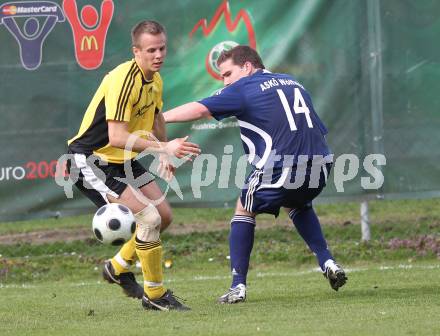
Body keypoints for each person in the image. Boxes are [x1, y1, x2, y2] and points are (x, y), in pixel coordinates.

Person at [163, 45, 347, 304]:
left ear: (247, 67)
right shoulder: (292, 82)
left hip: (282, 168)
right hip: (323, 165)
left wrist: (159, 118)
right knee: (297, 203)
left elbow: (199, 109)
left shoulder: (244, 87)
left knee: (244, 208)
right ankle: (327, 261)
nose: (225, 81)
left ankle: (238, 286)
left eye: (227, 74)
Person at [66, 20, 200, 311]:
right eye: (151, 49)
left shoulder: (155, 79)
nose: (158, 55)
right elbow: (116, 135)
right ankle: (155, 296)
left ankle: (118, 267)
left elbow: (156, 117)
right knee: (148, 219)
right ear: (136, 51)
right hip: (90, 159)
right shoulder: (124, 79)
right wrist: (164, 146)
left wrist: (164, 154)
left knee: (163, 216)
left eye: (162, 48)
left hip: (121, 159)